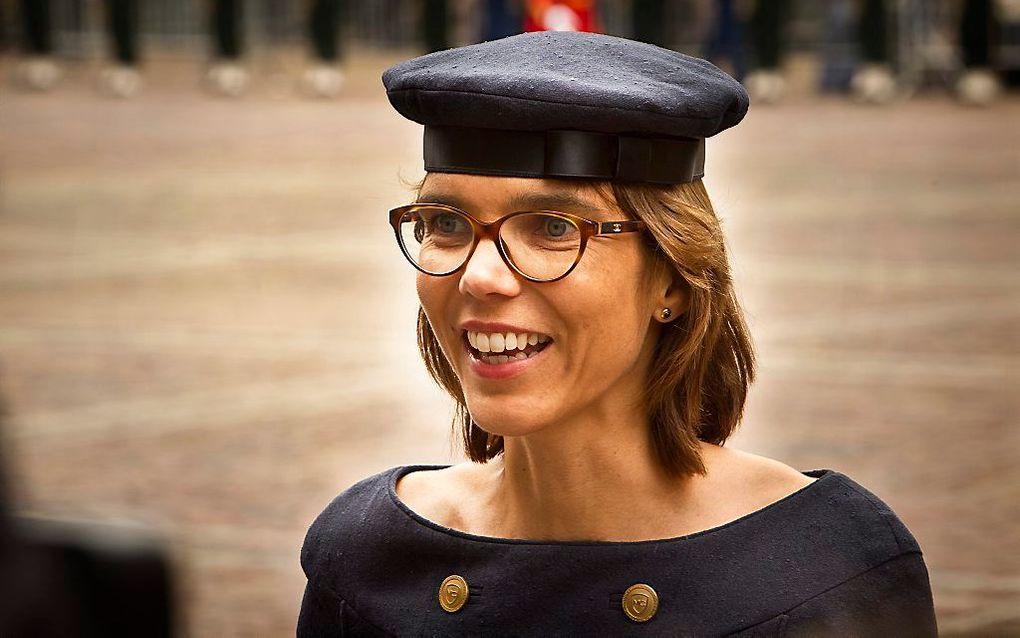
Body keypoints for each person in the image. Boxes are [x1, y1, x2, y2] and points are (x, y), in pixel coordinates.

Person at [298, 31, 938, 636]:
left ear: (674, 277)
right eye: (446, 223)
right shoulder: (368, 554)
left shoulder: (820, 564)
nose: (481, 276)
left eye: (551, 228)